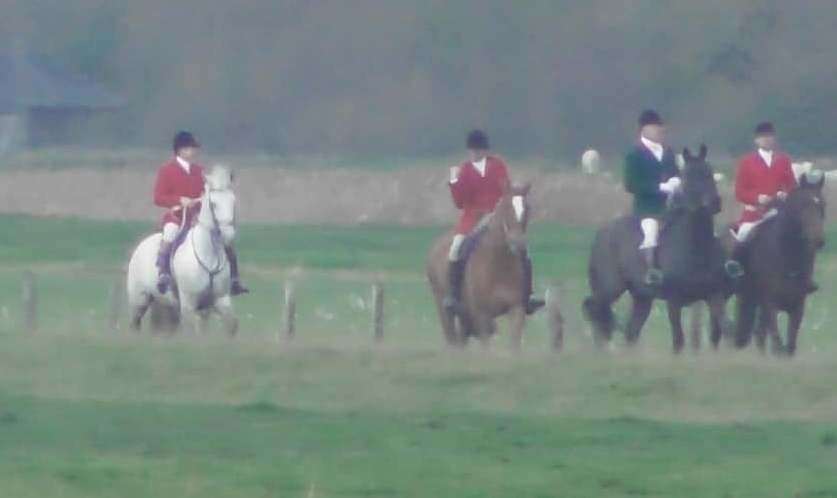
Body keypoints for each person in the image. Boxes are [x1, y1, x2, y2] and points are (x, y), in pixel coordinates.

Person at [444, 129, 545, 314]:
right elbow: (459, 203)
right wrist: (454, 183)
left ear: (484, 150)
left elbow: (506, 190)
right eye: (472, 151)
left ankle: (528, 295)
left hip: (497, 215)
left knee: (523, 249)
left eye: (478, 150)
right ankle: (453, 296)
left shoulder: (498, 165)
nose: (474, 154)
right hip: (472, 218)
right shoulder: (464, 170)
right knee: (455, 250)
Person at [153, 131, 249, 295]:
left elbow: (208, 194)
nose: (194, 152)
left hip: (198, 218)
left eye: (194, 148)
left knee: (226, 240)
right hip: (177, 216)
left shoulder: (200, 171)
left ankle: (234, 279)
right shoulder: (167, 170)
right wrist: (179, 200)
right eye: (190, 148)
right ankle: (163, 273)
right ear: (180, 150)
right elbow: (158, 197)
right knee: (170, 233)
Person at [731, 122, 815, 291]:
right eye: (763, 137)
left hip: (778, 213)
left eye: (770, 137)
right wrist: (757, 198)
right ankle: (737, 272)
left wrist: (786, 194)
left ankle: (804, 277)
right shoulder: (747, 162)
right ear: (756, 140)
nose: (767, 140)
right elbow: (739, 191)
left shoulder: (783, 160)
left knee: (801, 238)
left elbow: (792, 185)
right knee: (742, 237)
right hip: (754, 214)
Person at [623, 110, 681, 286]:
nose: (659, 130)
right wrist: (658, 187)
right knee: (651, 233)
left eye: (660, 127)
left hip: (671, 207)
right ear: (644, 130)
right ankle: (651, 271)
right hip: (647, 209)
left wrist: (676, 180)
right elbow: (631, 184)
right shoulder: (634, 154)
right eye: (655, 127)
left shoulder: (668, 152)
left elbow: (674, 172)